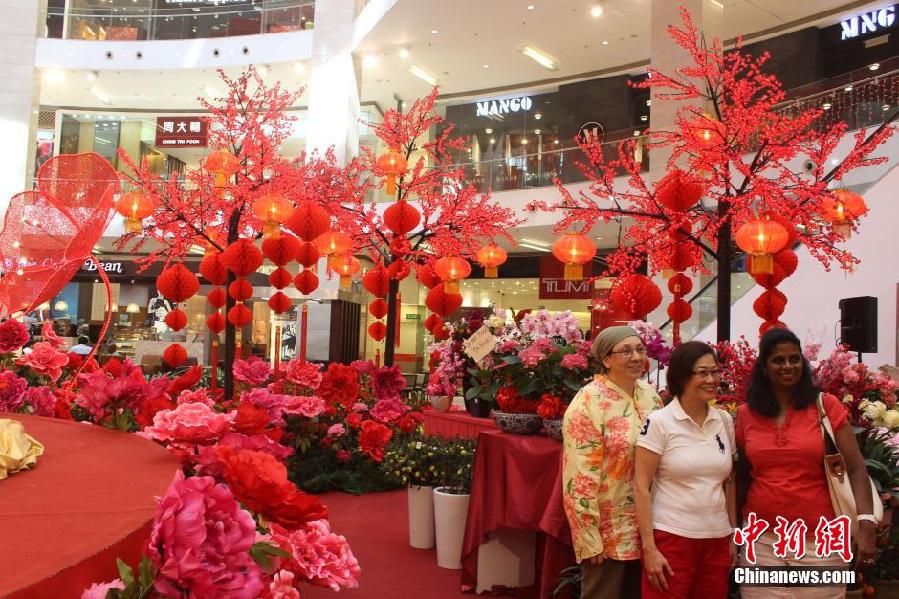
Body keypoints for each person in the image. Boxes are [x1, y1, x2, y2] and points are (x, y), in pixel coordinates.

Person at [736, 328, 876, 599]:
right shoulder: (746, 414)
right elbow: (742, 477)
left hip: (822, 543)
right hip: (762, 543)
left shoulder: (826, 406)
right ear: (764, 367)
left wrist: (866, 525)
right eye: (778, 360)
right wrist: (734, 532)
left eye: (794, 358)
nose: (788, 366)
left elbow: (857, 468)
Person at [562, 326, 663, 599]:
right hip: (608, 531)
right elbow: (578, 477)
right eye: (626, 351)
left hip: (650, 526)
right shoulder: (588, 403)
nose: (636, 357)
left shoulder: (650, 396)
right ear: (606, 359)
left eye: (640, 350)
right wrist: (588, 537)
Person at [633, 341, 736, 599]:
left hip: (716, 538)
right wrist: (649, 548)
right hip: (672, 538)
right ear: (681, 377)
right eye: (702, 372)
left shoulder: (724, 420)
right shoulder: (659, 422)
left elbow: (729, 481)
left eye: (714, 371)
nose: (711, 379)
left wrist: (732, 534)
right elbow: (640, 486)